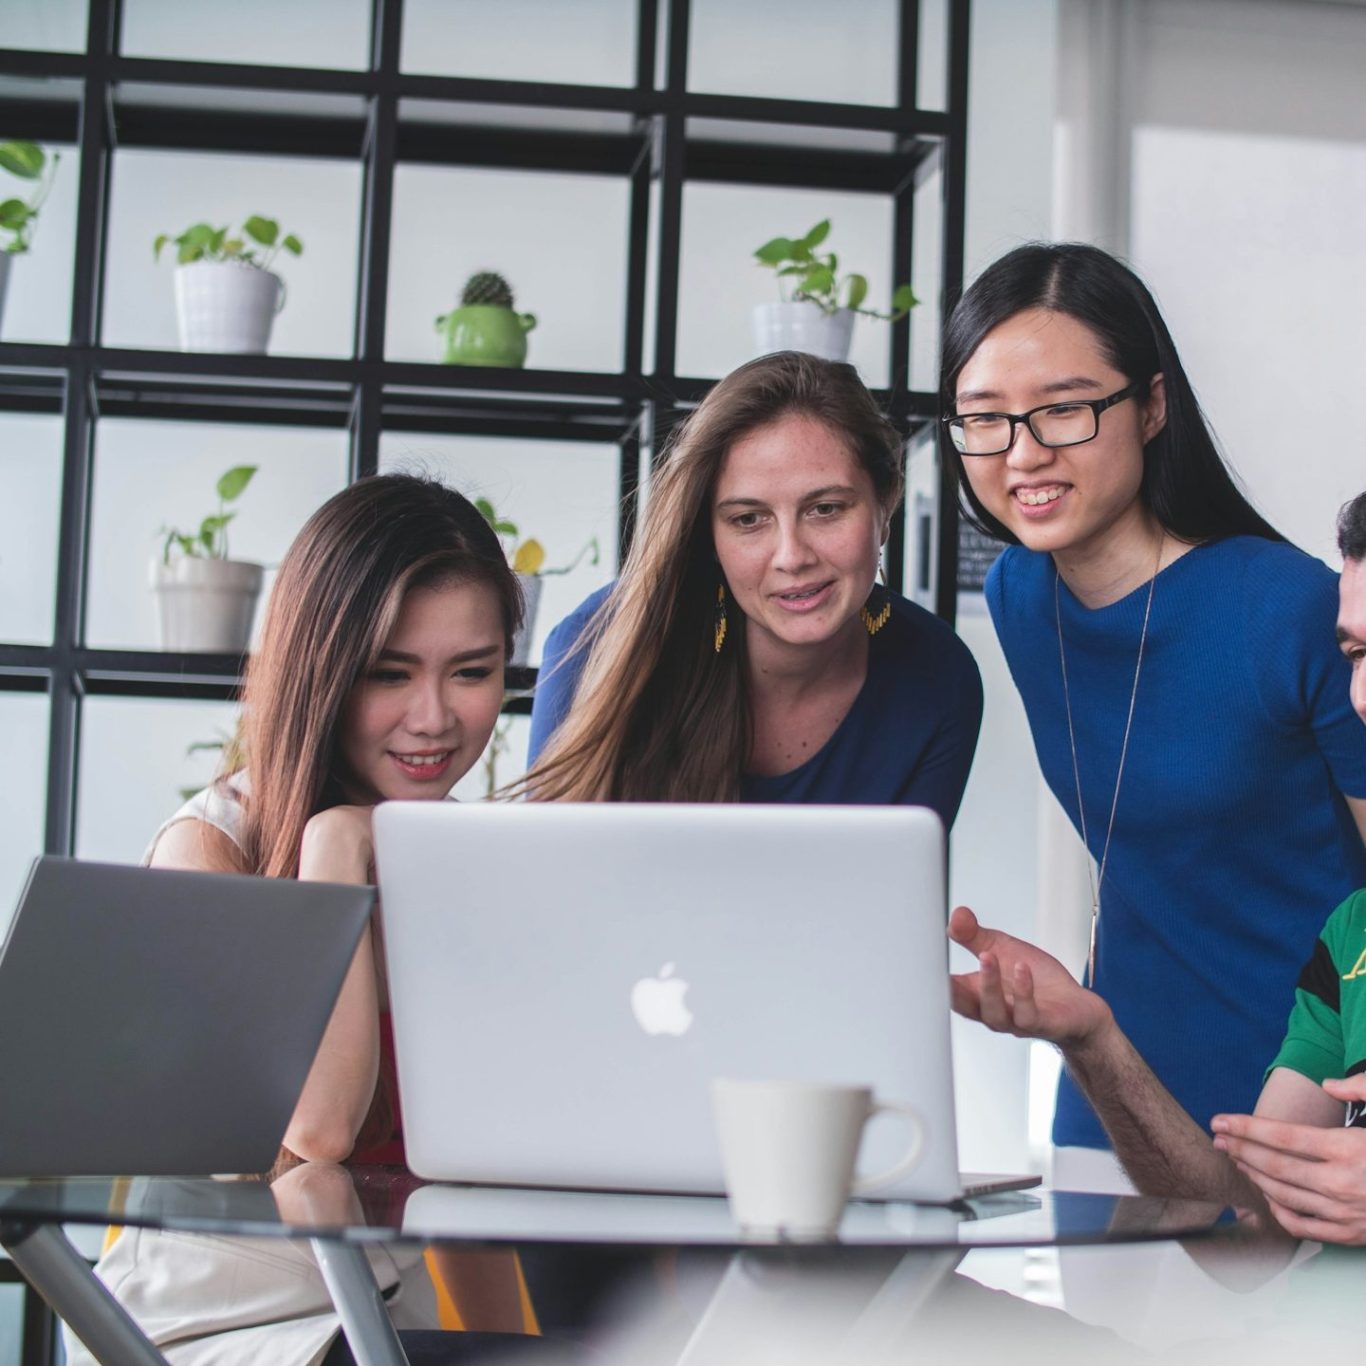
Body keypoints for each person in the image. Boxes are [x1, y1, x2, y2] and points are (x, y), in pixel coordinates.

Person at [69, 474, 532, 1364]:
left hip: (384, 1330)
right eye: (388, 674)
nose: (433, 719)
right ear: (321, 671)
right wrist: (334, 845)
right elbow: (315, 1132)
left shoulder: (460, 867)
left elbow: (469, 1199)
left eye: (471, 672)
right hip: (220, 1333)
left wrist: (535, 1352)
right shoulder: (208, 850)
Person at [940, 242, 1366, 1184]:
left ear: (1153, 404)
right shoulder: (1020, 595)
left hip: (1305, 1108)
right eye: (986, 419)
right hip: (1113, 1100)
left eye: (1065, 409)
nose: (1024, 453)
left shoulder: (1288, 608)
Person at [949, 489, 1366, 1244]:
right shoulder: (1352, 941)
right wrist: (1094, 1037)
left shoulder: (1269, 603)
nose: (1362, 697)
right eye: (1358, 655)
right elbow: (1250, 1238)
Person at [524, 350, 983, 825]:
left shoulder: (939, 678)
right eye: (748, 519)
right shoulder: (596, 646)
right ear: (709, 534)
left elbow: (901, 893)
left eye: (825, 508)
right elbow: (546, 883)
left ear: (884, 506)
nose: (792, 556)